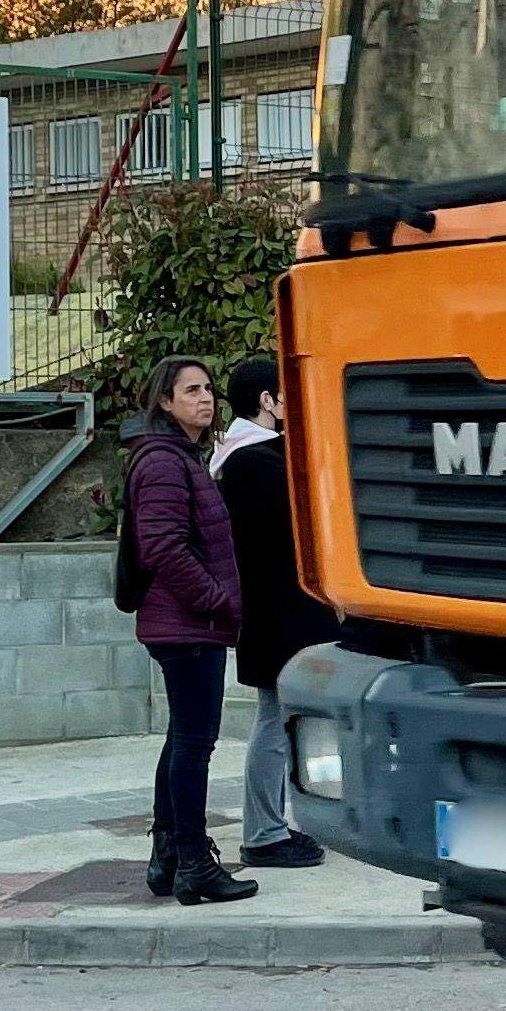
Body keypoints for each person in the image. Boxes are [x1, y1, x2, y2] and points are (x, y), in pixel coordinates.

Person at [125, 355, 256, 905]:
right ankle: (195, 862)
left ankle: (169, 858)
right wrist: (217, 602)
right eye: (191, 390)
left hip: (188, 624)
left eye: (208, 389)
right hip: (187, 626)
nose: (204, 399)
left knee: (184, 737)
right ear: (165, 401)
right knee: (195, 744)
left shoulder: (181, 456)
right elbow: (163, 550)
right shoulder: (162, 462)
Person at [212, 356, 340, 867]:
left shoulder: (246, 457)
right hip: (280, 615)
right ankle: (264, 832)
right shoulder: (255, 461)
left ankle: (278, 825)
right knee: (275, 722)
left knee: (284, 721)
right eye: (285, 393)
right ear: (267, 400)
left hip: (279, 614)